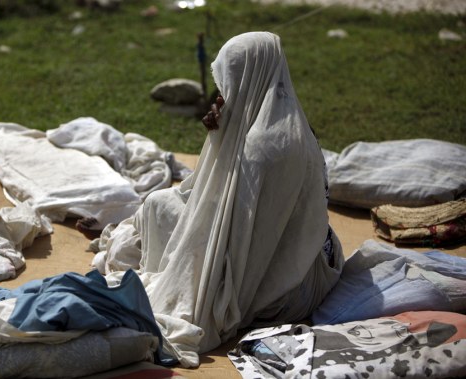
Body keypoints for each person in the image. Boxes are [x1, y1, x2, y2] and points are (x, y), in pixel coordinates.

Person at [87, 31, 344, 367]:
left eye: (228, 82)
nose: (222, 92)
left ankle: (141, 254)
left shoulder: (261, 150)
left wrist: (201, 295)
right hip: (316, 262)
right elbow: (224, 196)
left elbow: (239, 249)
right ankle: (132, 241)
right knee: (162, 205)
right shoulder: (291, 121)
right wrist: (222, 136)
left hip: (285, 291)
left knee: (158, 209)